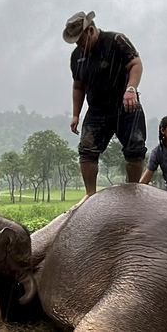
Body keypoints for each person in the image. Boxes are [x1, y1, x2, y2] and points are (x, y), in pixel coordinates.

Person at [63, 11, 147, 206]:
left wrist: (131, 89)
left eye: (80, 40)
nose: (78, 45)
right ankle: (90, 195)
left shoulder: (116, 40)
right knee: (86, 149)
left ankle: (133, 189)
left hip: (125, 103)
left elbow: (135, 64)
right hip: (98, 108)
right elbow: (78, 86)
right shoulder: (77, 56)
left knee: (135, 148)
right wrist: (75, 114)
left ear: (90, 30)